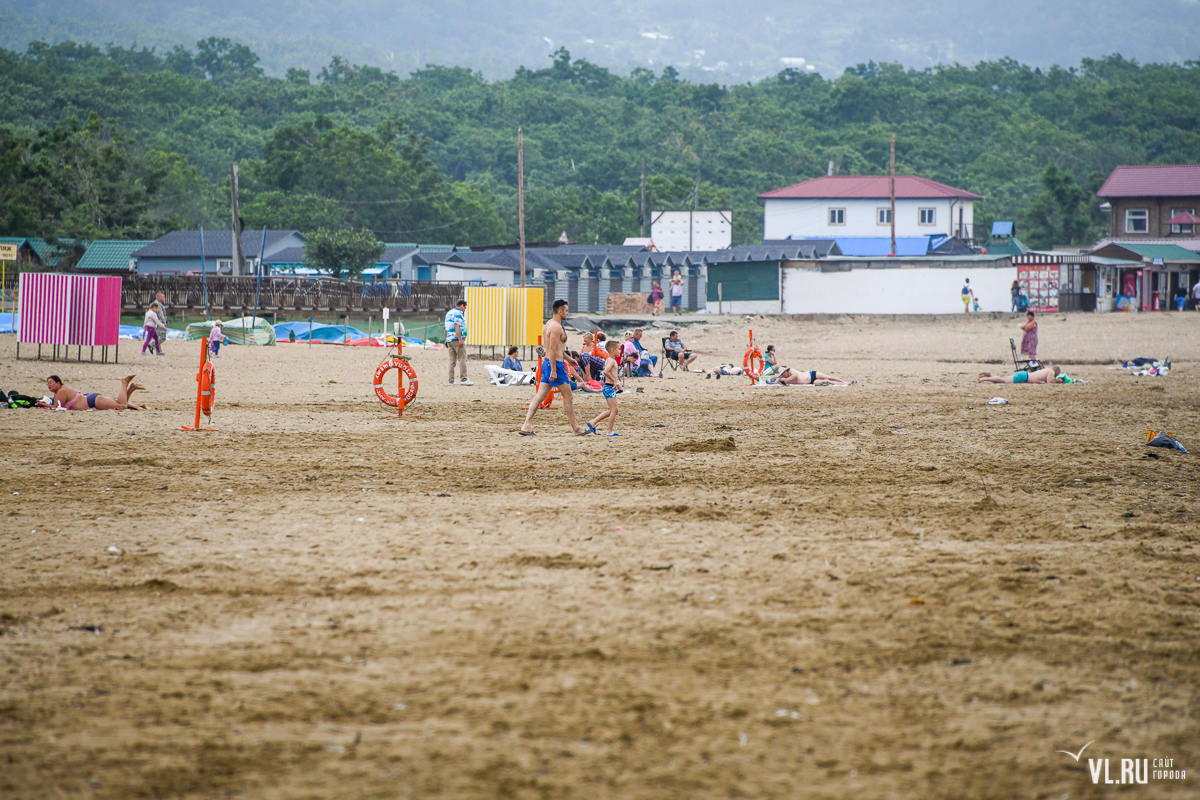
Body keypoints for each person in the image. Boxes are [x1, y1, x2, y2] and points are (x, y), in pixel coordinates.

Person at [520, 299, 588, 436]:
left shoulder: (549, 324)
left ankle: (526, 425)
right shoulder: (556, 327)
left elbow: (557, 349)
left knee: (540, 396)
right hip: (554, 364)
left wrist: (569, 360)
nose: (568, 313)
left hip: (548, 363)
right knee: (568, 395)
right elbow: (551, 349)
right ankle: (576, 428)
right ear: (560, 311)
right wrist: (554, 370)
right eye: (566, 311)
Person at [41, 374, 147, 410]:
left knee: (122, 405)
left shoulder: (61, 391)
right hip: (92, 399)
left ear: (58, 383)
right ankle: (134, 394)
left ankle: (125, 383)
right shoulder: (59, 393)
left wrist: (43, 404)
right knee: (119, 404)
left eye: (51, 382)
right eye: (48, 383)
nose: (49, 385)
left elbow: (59, 408)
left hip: (92, 402)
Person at [586, 340, 622, 437]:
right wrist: (614, 380)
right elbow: (606, 372)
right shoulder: (611, 361)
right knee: (614, 410)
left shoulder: (610, 360)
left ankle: (593, 422)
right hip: (609, 387)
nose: (620, 351)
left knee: (612, 410)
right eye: (618, 349)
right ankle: (609, 431)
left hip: (609, 387)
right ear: (612, 350)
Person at [444, 299, 474, 385]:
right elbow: (456, 326)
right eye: (465, 307)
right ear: (461, 306)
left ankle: (451, 380)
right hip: (456, 339)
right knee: (462, 358)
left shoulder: (448, 313)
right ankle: (464, 379)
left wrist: (446, 339)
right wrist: (460, 339)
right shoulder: (458, 313)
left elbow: (445, 327)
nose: (465, 309)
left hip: (450, 339)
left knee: (452, 360)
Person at [978, 365, 1069, 384]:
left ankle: (990, 375)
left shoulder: (1046, 370)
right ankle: (983, 379)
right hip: (1024, 376)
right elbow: (1050, 382)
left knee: (1001, 380)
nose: (1057, 375)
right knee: (1002, 380)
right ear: (1056, 370)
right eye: (1058, 373)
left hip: (1024, 375)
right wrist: (1058, 380)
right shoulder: (1051, 372)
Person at [775, 367, 851, 386]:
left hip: (811, 374)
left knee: (829, 377)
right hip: (811, 381)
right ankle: (843, 384)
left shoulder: (791, 371)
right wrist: (780, 379)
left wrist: (785, 380)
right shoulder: (785, 379)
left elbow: (794, 376)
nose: (784, 375)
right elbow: (777, 383)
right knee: (827, 381)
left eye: (783, 373)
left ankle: (843, 381)